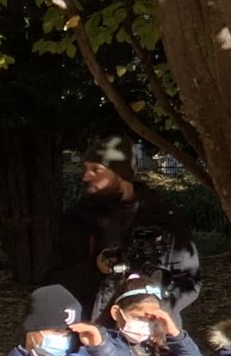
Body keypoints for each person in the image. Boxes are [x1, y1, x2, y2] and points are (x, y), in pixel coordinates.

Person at [54, 134, 201, 316]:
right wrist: (95, 268)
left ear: (120, 173)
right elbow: (55, 280)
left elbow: (188, 280)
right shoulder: (77, 219)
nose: (86, 177)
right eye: (86, 169)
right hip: (92, 331)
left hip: (150, 333)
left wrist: (154, 314)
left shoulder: (164, 217)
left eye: (96, 169)